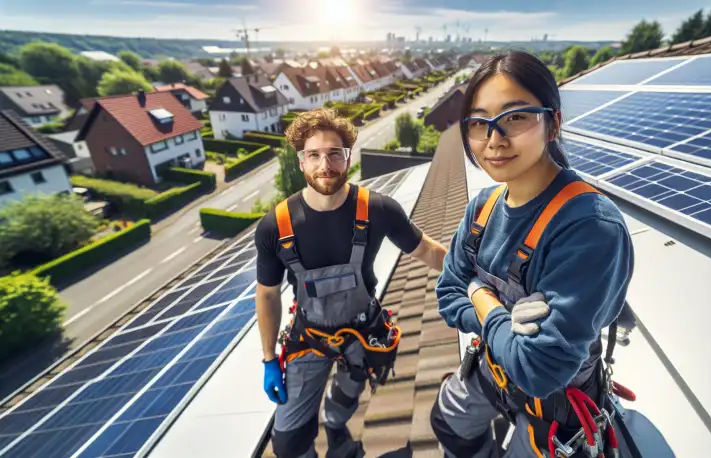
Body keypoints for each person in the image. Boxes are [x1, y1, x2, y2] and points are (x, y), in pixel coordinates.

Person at [430, 51, 635, 457]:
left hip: (558, 406)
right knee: (446, 422)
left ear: (553, 122)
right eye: (479, 123)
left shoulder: (589, 227)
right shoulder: (483, 209)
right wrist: (503, 324)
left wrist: (481, 297)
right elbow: (446, 293)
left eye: (516, 117)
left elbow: (539, 369)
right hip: (492, 373)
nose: (494, 140)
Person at [254, 108, 448, 458]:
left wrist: (477, 276)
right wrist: (269, 359)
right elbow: (267, 295)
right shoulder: (275, 226)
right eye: (313, 155)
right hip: (309, 338)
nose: (324, 164)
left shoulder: (377, 209)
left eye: (334, 154)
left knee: (346, 394)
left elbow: (427, 250)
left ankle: (337, 428)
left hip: (363, 334)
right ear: (301, 162)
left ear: (347, 158)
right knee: (287, 441)